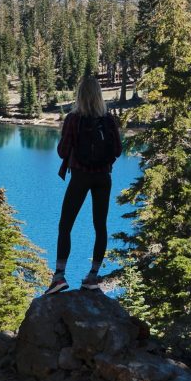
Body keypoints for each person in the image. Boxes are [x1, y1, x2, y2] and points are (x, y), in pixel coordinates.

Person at [45, 73, 123, 294]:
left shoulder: (73, 119)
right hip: (103, 179)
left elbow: (62, 151)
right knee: (100, 227)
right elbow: (117, 150)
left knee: (65, 225)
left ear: (80, 96)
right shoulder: (108, 120)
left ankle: (59, 276)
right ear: (99, 96)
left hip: (80, 177)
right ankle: (92, 276)